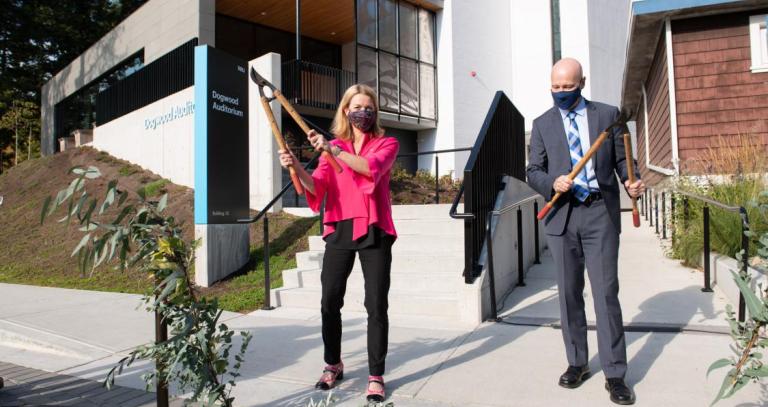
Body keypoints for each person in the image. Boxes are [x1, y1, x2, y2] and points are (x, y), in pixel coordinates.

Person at [526, 58, 645, 405]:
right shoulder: (542, 124)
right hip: (562, 216)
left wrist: (631, 181)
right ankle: (578, 362)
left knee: (606, 293)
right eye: (555, 87)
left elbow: (624, 160)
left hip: (599, 213)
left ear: (582, 82)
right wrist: (552, 182)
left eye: (568, 86)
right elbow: (533, 170)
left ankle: (615, 374)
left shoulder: (608, 116)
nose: (561, 93)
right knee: (568, 294)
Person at [278, 84, 399, 402]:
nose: (364, 112)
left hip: (374, 229)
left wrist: (335, 151)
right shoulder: (334, 145)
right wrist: (294, 167)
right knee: (329, 302)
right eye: (357, 106)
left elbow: (371, 169)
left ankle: (375, 374)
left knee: (376, 305)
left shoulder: (386, 143)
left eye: (369, 107)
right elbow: (317, 186)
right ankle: (333, 364)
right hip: (340, 228)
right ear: (346, 110)